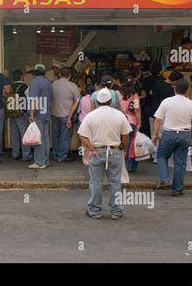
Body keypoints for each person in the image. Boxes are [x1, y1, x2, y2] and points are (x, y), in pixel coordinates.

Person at [78, 88, 132, 220]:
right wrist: (122, 148)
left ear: (97, 101)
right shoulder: (119, 115)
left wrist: (91, 148)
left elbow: (82, 135)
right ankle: (116, 210)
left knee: (95, 182)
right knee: (115, 182)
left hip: (97, 151)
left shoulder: (91, 115)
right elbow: (126, 135)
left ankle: (95, 210)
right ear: (111, 101)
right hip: (114, 151)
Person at [152, 79, 192, 196]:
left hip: (169, 133)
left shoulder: (166, 102)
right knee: (180, 162)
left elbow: (158, 119)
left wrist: (155, 134)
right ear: (187, 90)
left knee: (161, 156)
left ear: (175, 88)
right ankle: (177, 188)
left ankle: (165, 178)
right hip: (185, 134)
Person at [51, 67, 80, 162]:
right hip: (66, 115)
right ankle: (62, 156)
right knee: (65, 136)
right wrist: (70, 117)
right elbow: (77, 101)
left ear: (60, 74)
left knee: (56, 135)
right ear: (70, 75)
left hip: (54, 113)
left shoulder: (53, 84)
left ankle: (55, 154)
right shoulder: (73, 86)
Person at [28, 63, 53, 170]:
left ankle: (39, 162)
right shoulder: (48, 82)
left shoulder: (34, 82)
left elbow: (34, 99)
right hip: (46, 112)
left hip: (38, 114)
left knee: (38, 138)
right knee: (45, 138)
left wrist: (31, 113)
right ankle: (46, 160)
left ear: (34, 72)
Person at [118, 77, 142, 172]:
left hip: (119, 120)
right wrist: (139, 123)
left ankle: (118, 165)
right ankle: (129, 167)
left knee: (119, 143)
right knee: (130, 145)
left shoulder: (119, 94)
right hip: (130, 122)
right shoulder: (134, 95)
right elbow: (136, 109)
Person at [8, 70, 32, 161]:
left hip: (12, 113)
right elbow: (29, 99)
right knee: (24, 134)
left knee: (14, 134)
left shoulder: (9, 87)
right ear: (21, 77)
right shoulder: (25, 87)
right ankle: (26, 155)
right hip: (22, 113)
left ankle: (15, 153)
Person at [141, 63, 162, 138]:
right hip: (159, 107)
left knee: (147, 129)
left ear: (150, 71)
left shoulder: (145, 80)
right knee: (158, 129)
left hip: (148, 105)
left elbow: (143, 94)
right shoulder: (162, 81)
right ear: (160, 71)